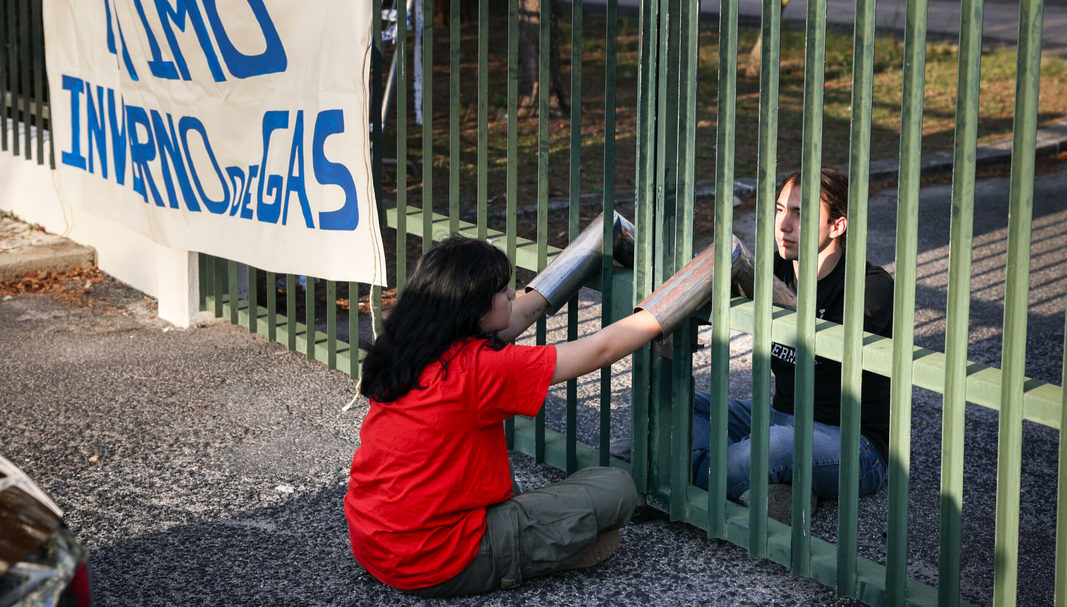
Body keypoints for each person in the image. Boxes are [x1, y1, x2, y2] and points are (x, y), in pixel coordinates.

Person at [344, 235, 664, 597]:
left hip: (375, 541)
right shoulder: (479, 368)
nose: (512, 293)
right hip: (439, 561)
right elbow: (601, 350)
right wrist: (675, 299)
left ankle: (534, 536)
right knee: (616, 487)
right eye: (501, 289)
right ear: (473, 309)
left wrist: (590, 248)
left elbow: (518, 312)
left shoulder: (406, 346)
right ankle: (532, 552)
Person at [690, 167, 893, 511]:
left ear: (837, 226)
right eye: (781, 210)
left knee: (776, 445)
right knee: (683, 400)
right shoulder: (774, 271)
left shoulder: (871, 288)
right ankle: (765, 485)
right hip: (781, 418)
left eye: (800, 214)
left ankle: (677, 465)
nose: (783, 225)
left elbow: (824, 355)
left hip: (853, 444)